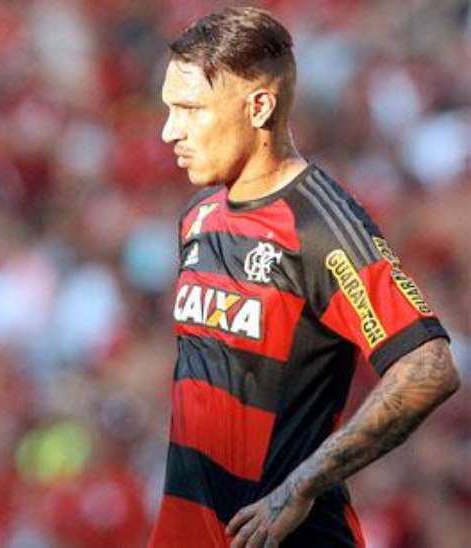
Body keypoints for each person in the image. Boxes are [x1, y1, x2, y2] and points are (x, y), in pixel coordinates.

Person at [148, 7, 460, 548]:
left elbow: (428, 367)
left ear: (260, 106)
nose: (168, 130)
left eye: (190, 109)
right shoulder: (199, 217)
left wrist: (301, 485)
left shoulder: (321, 227)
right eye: (168, 108)